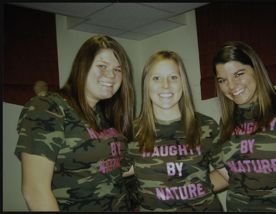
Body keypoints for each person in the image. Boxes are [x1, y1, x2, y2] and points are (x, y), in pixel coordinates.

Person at [14, 35, 135, 211]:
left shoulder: (105, 115)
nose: (111, 75)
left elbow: (115, 168)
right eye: (102, 66)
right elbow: (35, 191)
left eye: (118, 69)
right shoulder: (48, 107)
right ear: (82, 67)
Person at [210, 41, 276, 212]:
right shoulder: (227, 121)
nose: (231, 86)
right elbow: (231, 175)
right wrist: (178, 190)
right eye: (222, 80)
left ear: (256, 69)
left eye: (238, 74)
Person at [122, 50, 223, 211]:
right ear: (146, 84)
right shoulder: (131, 131)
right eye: (156, 78)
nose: (166, 85)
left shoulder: (205, 125)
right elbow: (107, 174)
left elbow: (230, 175)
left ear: (182, 82)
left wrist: (197, 189)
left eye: (173, 77)